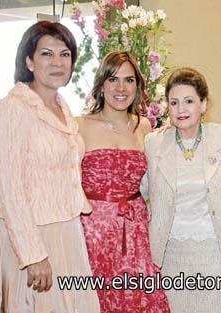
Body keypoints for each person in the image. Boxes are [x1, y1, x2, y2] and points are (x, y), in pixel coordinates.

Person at [0, 21, 100, 313]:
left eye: (65, 54)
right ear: (29, 61)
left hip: (67, 234)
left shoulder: (63, 109)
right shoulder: (12, 109)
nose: (57, 62)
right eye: (46, 54)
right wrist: (32, 255)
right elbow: (11, 190)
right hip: (29, 240)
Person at [143, 67, 221, 312]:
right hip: (172, 253)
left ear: (204, 104)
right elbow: (143, 189)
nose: (181, 109)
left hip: (219, 253)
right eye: (174, 102)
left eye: (189, 101)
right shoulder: (154, 142)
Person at [77, 51, 169, 313]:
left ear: (137, 86)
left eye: (129, 80)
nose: (121, 88)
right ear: (101, 85)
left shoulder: (145, 126)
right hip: (92, 230)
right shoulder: (79, 125)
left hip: (135, 229)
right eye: (113, 79)